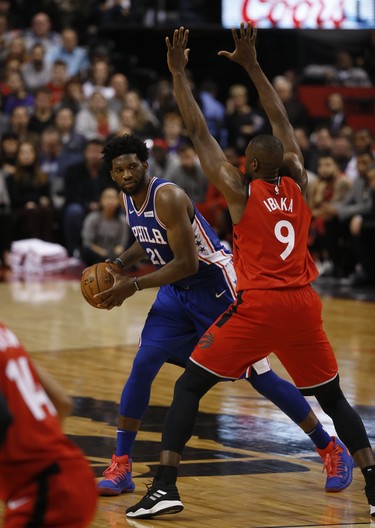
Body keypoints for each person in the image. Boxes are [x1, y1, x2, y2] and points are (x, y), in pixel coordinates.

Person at [125, 24, 375, 519]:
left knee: (189, 387)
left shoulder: (242, 193)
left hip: (260, 305)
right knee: (333, 397)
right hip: (305, 304)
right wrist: (254, 66)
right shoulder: (299, 180)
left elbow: (198, 131)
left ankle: (166, 487)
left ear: (248, 163)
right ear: (283, 162)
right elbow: (281, 121)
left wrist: (179, 74)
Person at [95, 133, 352, 498]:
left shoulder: (165, 195)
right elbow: (149, 235)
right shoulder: (128, 196)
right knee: (143, 364)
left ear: (145, 165)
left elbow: (185, 263)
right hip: (176, 294)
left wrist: (132, 285)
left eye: (132, 166)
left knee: (260, 377)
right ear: (112, 173)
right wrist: (119, 262)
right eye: (119, 169)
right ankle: (121, 464)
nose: (126, 174)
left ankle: (330, 447)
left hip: (214, 284)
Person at [0, 321, 97, 527]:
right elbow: (62, 402)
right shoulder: (4, 332)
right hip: (73, 474)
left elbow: (4, 418)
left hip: (45, 491)